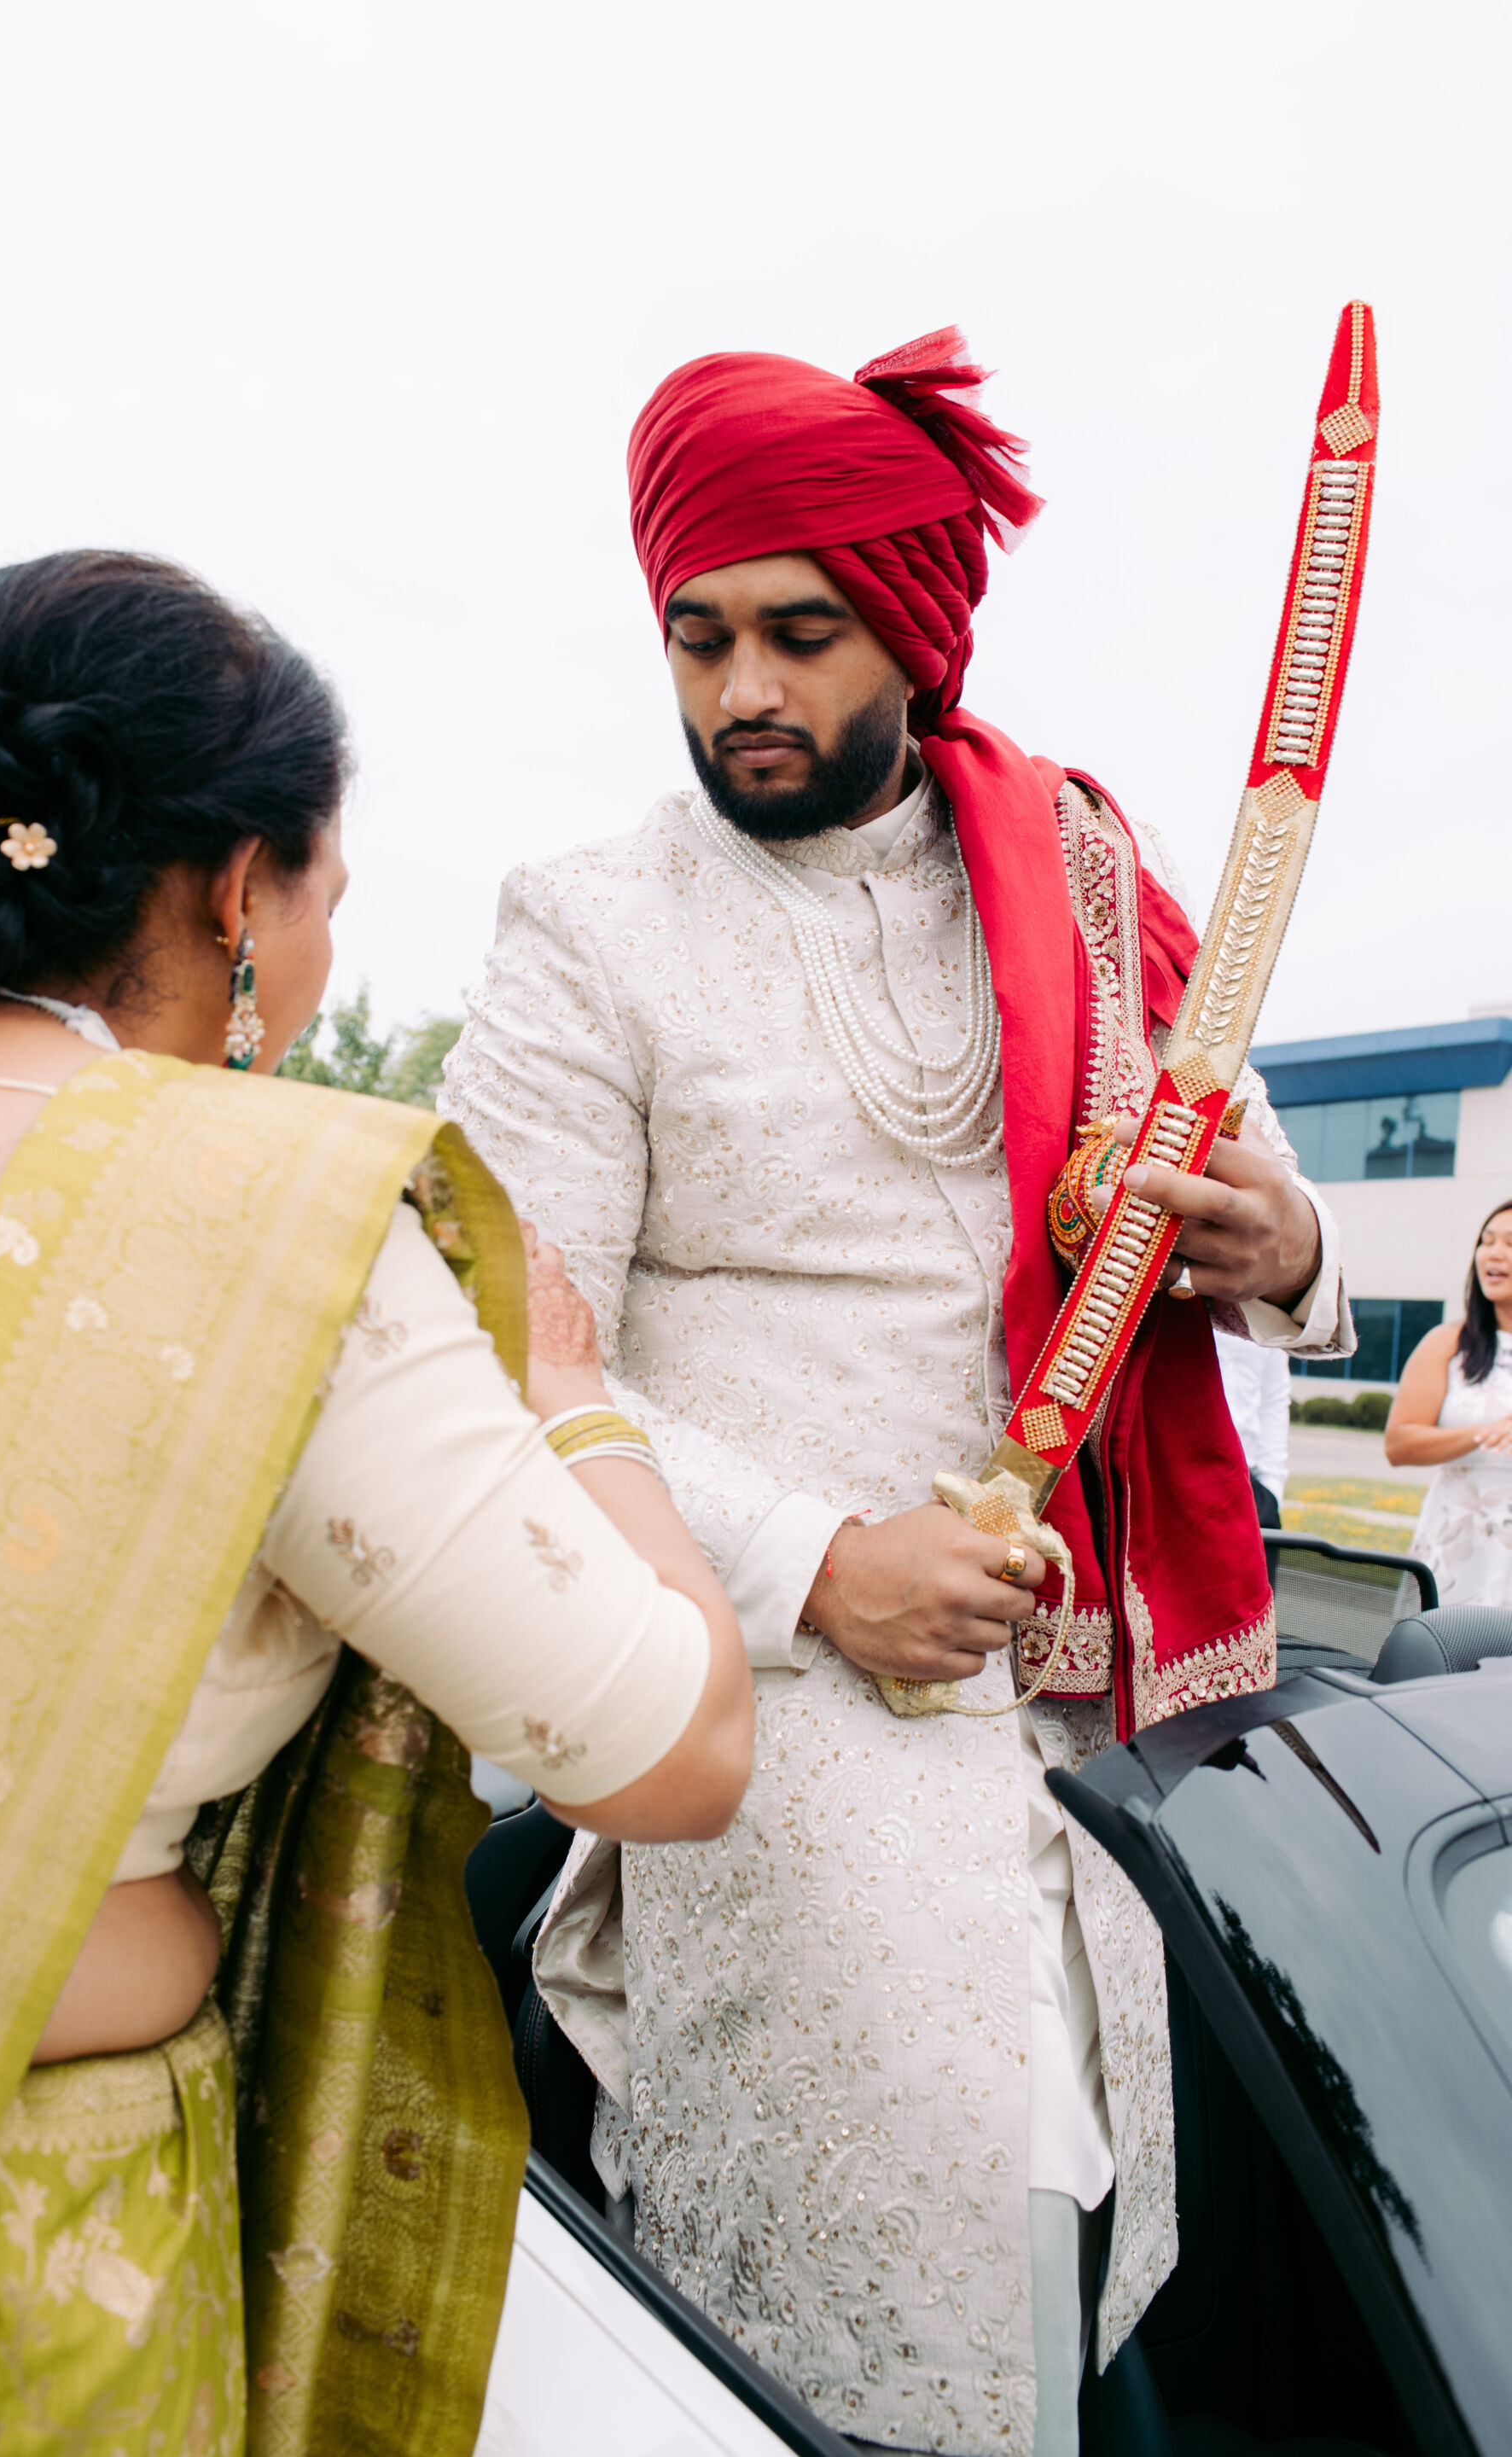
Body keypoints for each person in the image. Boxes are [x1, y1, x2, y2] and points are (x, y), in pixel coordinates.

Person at [440, 331, 1352, 2457]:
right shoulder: (585, 928)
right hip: (775, 1700)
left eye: (800, 633)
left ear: (913, 632)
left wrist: (1280, 1241)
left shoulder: (1084, 874)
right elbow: (495, 1351)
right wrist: (819, 1562)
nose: (741, 689)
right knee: (910, 2287)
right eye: (699, 638)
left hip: (1108, 1714)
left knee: (1197, 2261)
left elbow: (1251, 1164)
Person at [0, 550, 753, 2456]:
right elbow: (672, 1749)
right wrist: (575, 1401)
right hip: (0, 2250)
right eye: (328, 897)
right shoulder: (248, 1221)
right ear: (239, 892)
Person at [1388, 1201, 1512, 1604]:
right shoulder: (1447, 1343)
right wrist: (1485, 1433)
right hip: (1457, 1548)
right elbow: (1399, 1445)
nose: (1494, 1254)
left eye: (1511, 1244)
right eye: (1487, 1241)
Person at [1213, 1329, 1291, 1530]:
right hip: (1185, 1476)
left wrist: (1272, 1490)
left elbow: (1274, 1399)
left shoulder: (1270, 1315)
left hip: (1250, 1484)